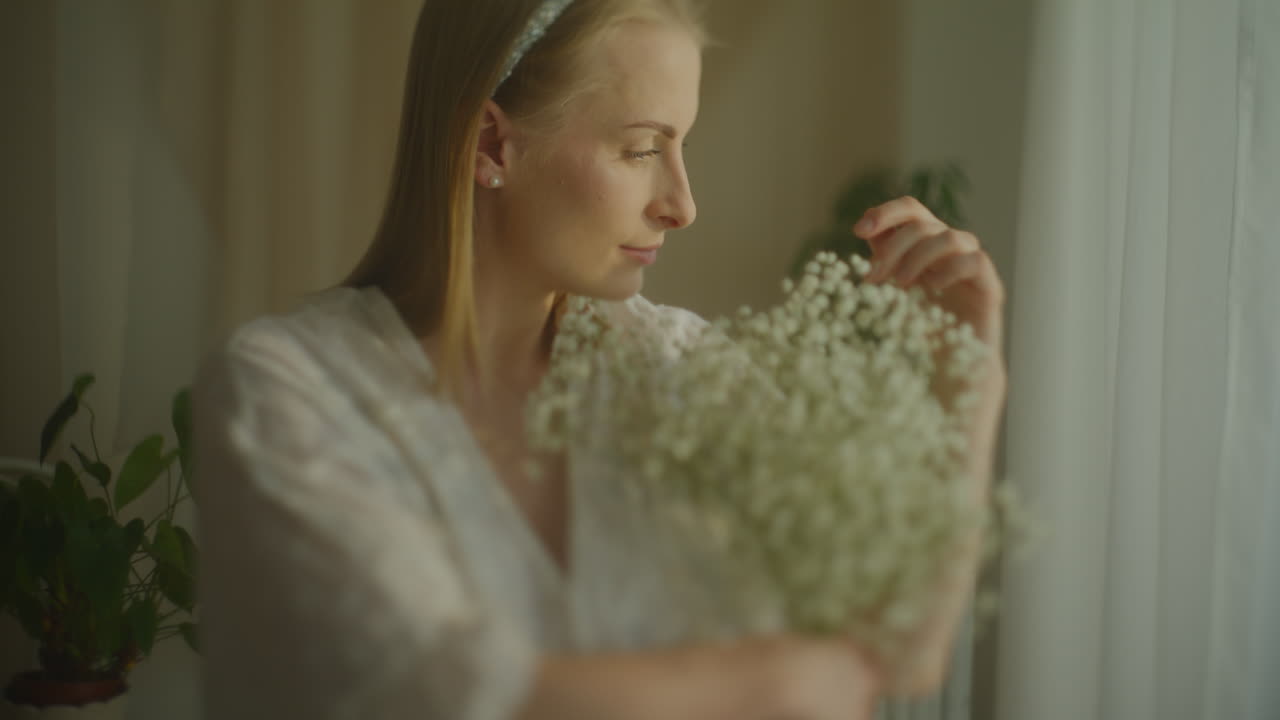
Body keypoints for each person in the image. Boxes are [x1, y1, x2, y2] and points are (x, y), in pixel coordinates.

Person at [192, 0, 1008, 718]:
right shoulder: (286, 391)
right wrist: (782, 678)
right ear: (491, 145)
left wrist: (970, 372)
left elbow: (903, 645)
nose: (682, 204)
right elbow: (437, 697)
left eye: (679, 145)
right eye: (642, 148)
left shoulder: (679, 366)